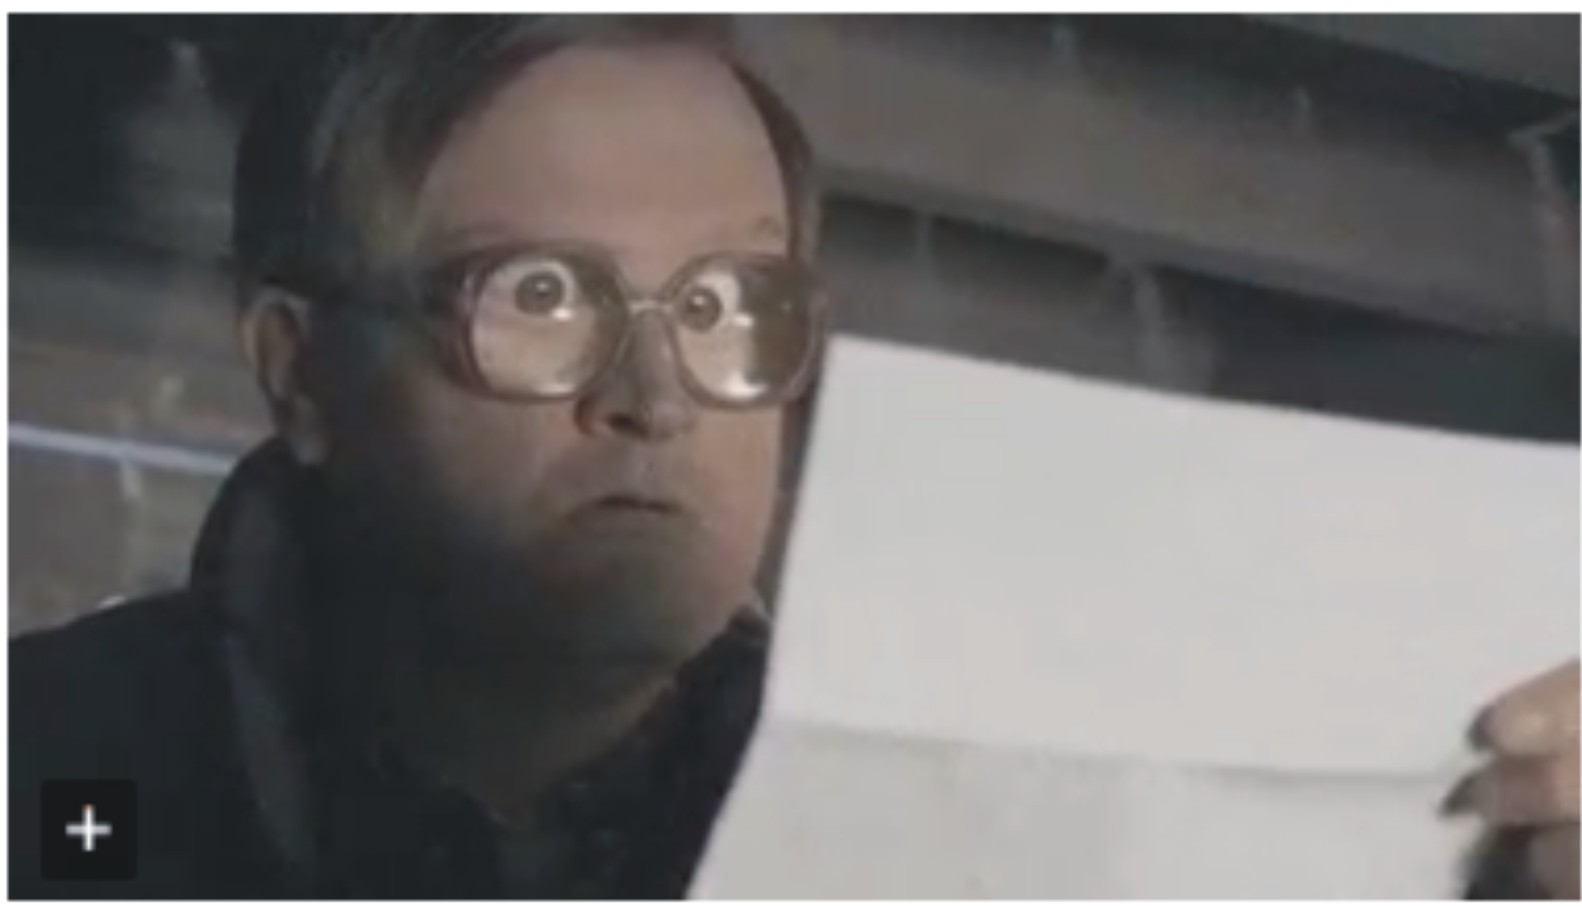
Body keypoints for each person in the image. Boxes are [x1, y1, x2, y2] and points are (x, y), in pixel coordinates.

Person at [9, 14, 1577, 900]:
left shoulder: (1002, 822)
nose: (657, 399)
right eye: (537, 295)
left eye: (721, 305)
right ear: (300, 373)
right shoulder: (46, 771)